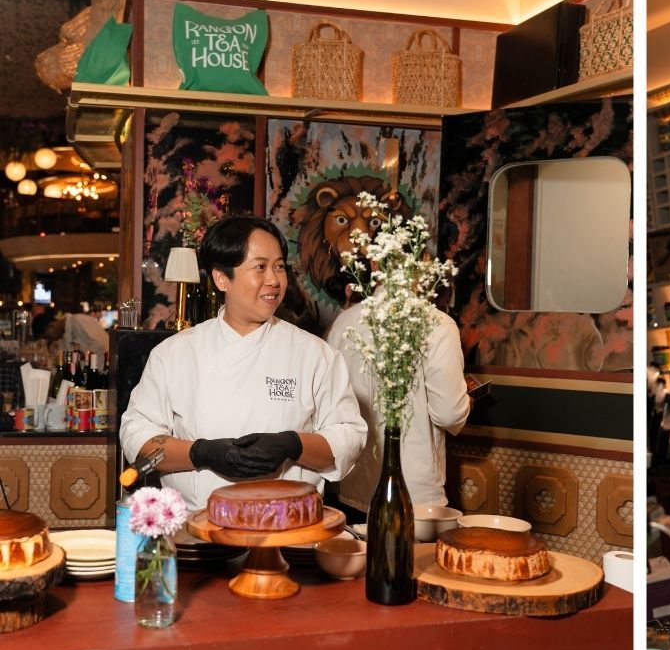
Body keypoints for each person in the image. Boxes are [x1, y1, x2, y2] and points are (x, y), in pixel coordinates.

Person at [119, 216, 367, 511]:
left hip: (288, 528)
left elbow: (349, 435)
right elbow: (138, 434)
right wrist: (201, 453)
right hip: (199, 530)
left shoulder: (315, 354)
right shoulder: (174, 353)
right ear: (222, 278)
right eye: (260, 267)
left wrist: (293, 444)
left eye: (279, 266)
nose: (274, 280)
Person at [326, 295, 470, 513]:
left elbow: (329, 404)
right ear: (424, 261)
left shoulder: (344, 322)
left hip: (352, 486)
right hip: (413, 491)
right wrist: (467, 403)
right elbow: (449, 413)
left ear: (374, 265)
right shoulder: (437, 323)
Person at [45, 311, 109, 357]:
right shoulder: (64, 334)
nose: (52, 339)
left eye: (49, 337)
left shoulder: (78, 321)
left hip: (103, 371)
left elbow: (99, 346)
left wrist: (76, 357)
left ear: (51, 326)